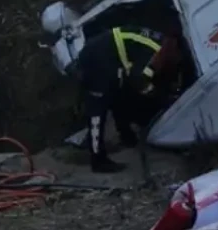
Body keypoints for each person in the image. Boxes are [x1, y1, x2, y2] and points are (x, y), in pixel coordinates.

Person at [76, 24, 180, 172]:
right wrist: (158, 97)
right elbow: (139, 81)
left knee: (118, 95)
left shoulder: (160, 42)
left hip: (106, 55)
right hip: (97, 59)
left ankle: (127, 136)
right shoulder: (157, 52)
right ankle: (98, 160)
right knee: (98, 109)